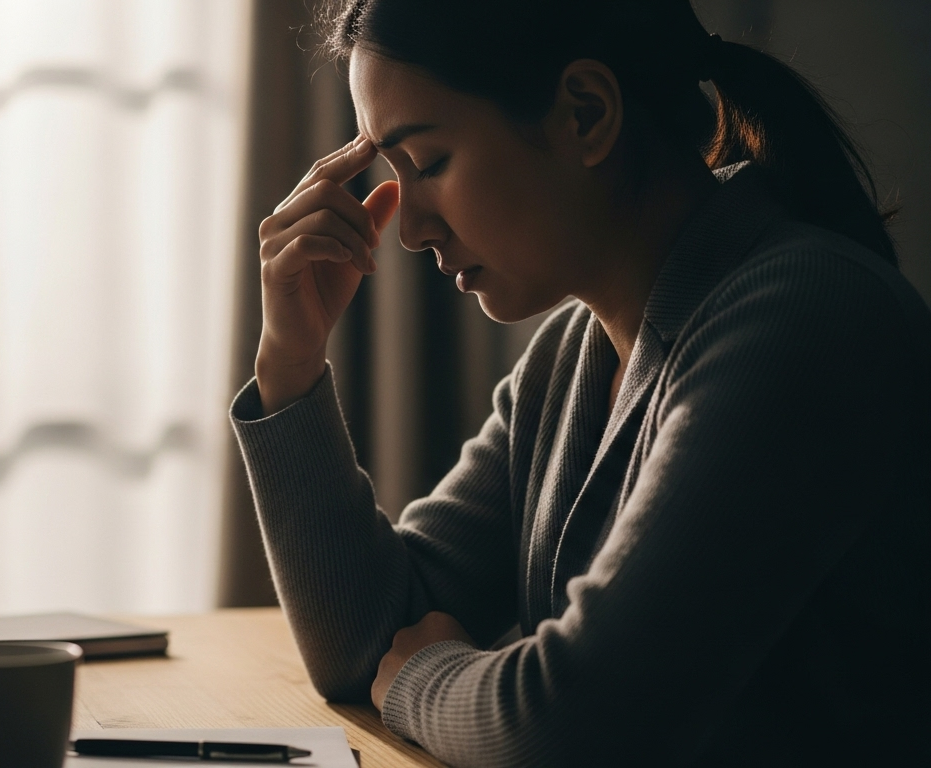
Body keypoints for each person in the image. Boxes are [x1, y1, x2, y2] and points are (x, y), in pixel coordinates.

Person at [229, 1, 931, 765]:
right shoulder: (575, 352)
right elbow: (366, 640)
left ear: (586, 114)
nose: (409, 230)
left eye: (428, 163)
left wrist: (420, 680)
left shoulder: (806, 318)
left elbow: (573, 724)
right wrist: (289, 366)